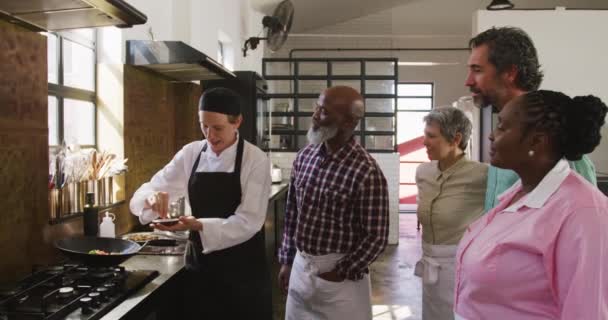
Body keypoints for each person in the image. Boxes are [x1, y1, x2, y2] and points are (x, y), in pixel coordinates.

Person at [454, 90, 608, 319]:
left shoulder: (583, 212)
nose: (491, 136)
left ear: (537, 140)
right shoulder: (519, 193)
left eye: (502, 127)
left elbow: (587, 312)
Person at [129, 87, 272, 319]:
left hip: (243, 271)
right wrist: (151, 198)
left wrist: (198, 225)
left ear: (237, 122)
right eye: (203, 126)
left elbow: (249, 221)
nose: (210, 135)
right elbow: (144, 193)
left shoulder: (255, 159)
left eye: (218, 128)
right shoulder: (191, 153)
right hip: (200, 268)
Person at [277, 86, 389, 320]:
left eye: (325, 112)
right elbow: (292, 215)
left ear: (349, 123)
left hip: (341, 279)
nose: (315, 115)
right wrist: (287, 260)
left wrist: (341, 271)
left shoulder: (366, 171)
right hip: (301, 264)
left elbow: (376, 236)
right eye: (317, 108)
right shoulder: (304, 157)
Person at [465, 27, 597, 212]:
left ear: (510, 73)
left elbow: (587, 221)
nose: (468, 81)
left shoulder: (558, 141)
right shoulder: (504, 139)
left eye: (477, 70)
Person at [414, 107, 487, 320]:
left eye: (431, 136)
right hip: (429, 264)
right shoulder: (423, 172)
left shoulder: (483, 175)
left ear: (455, 139)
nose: (424, 142)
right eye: (424, 134)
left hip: (462, 268)